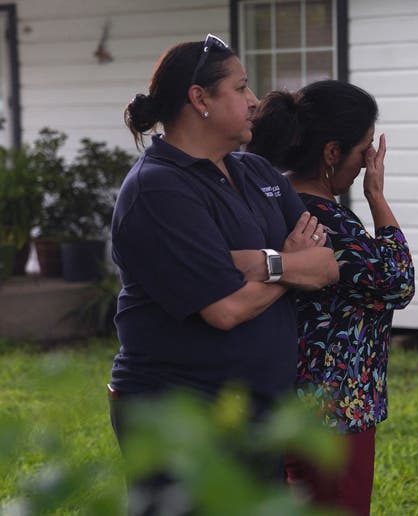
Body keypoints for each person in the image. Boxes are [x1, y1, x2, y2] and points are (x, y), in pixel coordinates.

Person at [110, 34, 339, 513]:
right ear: (200, 100)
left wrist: (256, 263)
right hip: (181, 413)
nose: (255, 101)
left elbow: (324, 264)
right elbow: (225, 308)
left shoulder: (257, 172)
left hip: (258, 409)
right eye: (241, 88)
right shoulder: (158, 188)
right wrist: (287, 263)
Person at [247, 80, 415, 516]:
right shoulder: (328, 224)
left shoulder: (275, 204)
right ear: (331, 153)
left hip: (280, 405)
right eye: (363, 152)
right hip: (335, 416)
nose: (366, 165)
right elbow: (399, 281)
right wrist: (378, 198)